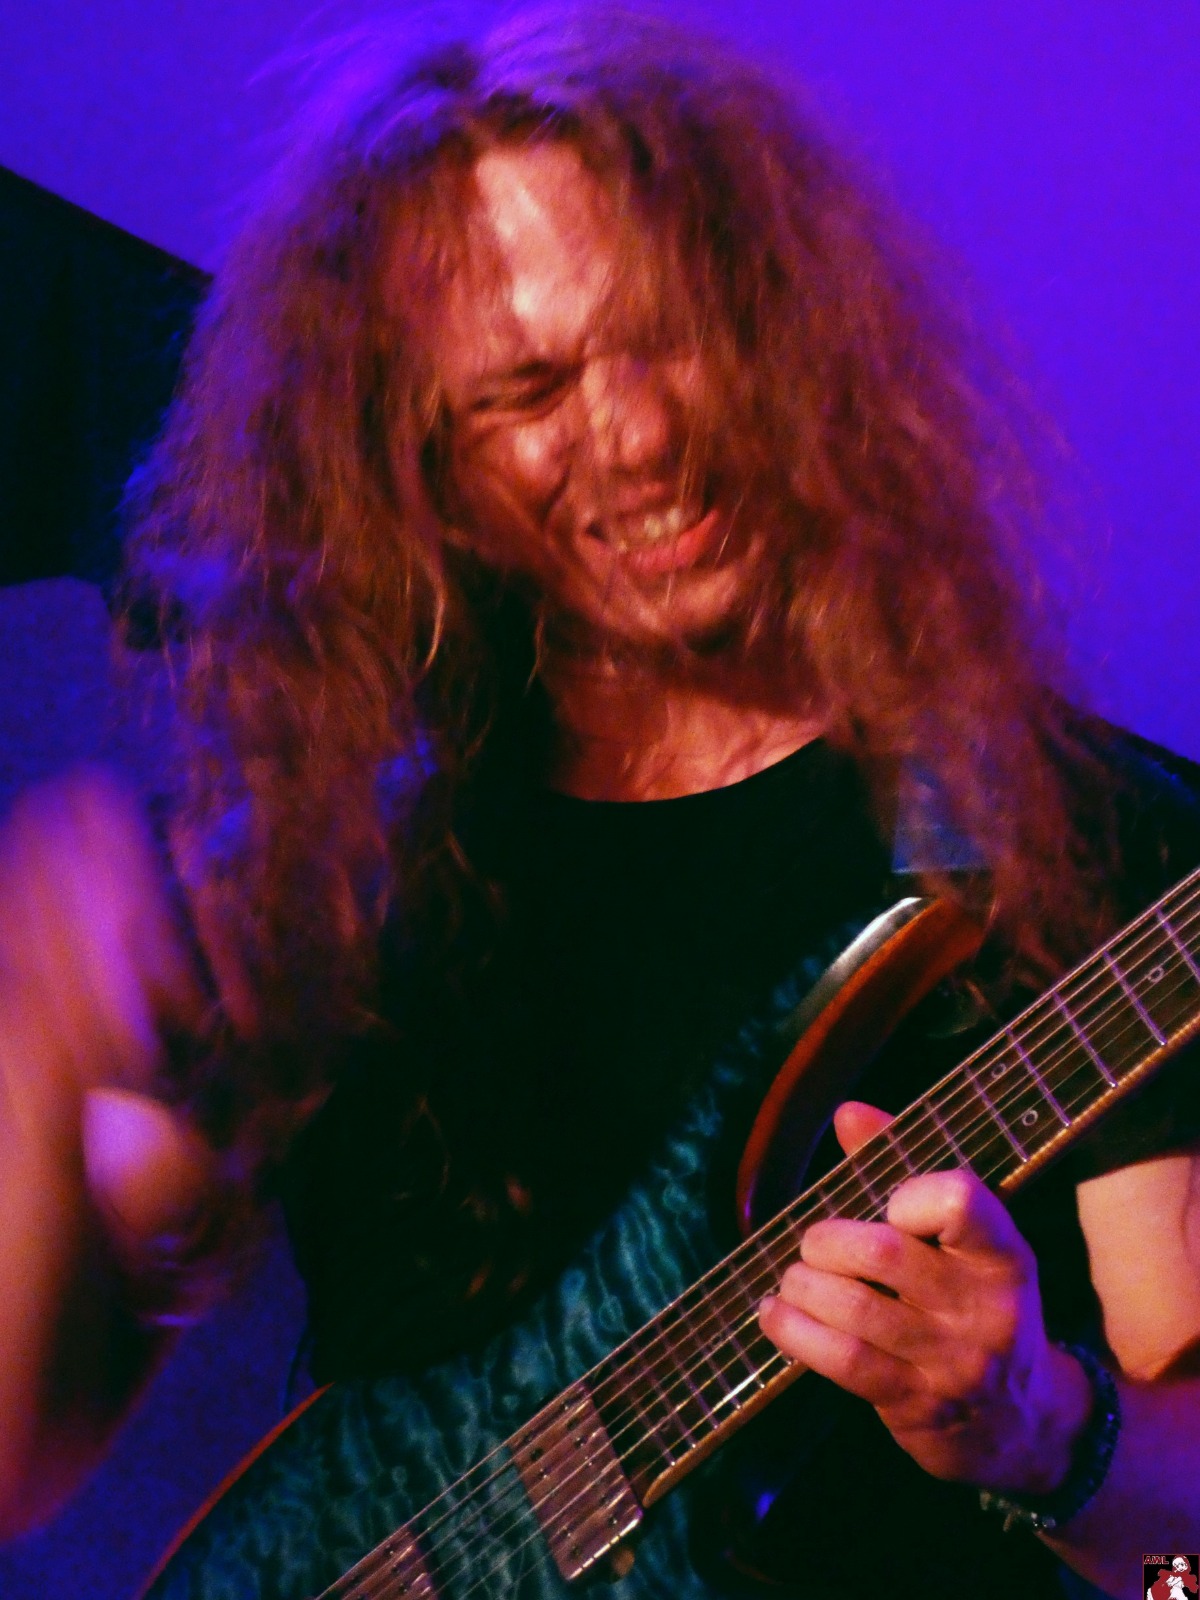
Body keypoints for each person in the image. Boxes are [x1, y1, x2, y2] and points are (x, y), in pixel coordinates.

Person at [0, 8, 1198, 1598]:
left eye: (669, 332)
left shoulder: (1062, 828)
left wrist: (1042, 1423)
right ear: (416, 458)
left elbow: (1187, 1512)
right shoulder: (353, 859)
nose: (635, 435)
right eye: (527, 390)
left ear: (780, 317)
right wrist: (39, 1048)